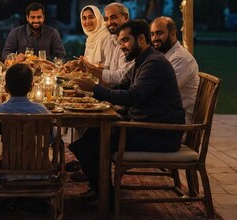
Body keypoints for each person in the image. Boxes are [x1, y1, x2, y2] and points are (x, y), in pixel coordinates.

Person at [68, 19, 185, 203]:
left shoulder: (154, 63)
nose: (122, 46)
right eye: (121, 41)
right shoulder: (142, 60)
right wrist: (87, 91)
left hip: (160, 133)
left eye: (125, 40)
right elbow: (120, 87)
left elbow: (132, 97)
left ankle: (106, 196)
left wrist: (94, 89)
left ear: (140, 38)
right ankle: (102, 190)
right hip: (145, 127)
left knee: (87, 145)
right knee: (91, 135)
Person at [150, 16, 200, 124]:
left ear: (173, 33)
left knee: (118, 127)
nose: (154, 38)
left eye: (159, 33)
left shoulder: (181, 59)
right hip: (164, 116)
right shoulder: (164, 56)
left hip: (177, 125)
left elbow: (162, 93)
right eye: (152, 34)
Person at [79, 2, 130, 85]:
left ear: (125, 17)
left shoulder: (109, 38)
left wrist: (92, 69)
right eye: (106, 19)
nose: (109, 22)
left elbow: (121, 76)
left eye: (114, 17)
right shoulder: (114, 39)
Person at [1, 2, 66, 62]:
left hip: (45, 72)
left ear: (43, 17)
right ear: (27, 18)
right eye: (32, 17)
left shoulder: (52, 33)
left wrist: (55, 65)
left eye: (39, 17)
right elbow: (5, 54)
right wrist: (15, 57)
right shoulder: (16, 33)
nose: (36, 20)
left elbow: (61, 56)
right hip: (23, 71)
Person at [63, 5, 112, 72]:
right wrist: (76, 64)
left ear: (98, 18)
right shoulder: (90, 38)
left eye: (91, 17)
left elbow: (109, 68)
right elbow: (90, 64)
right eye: (84, 18)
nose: (87, 21)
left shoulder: (106, 37)